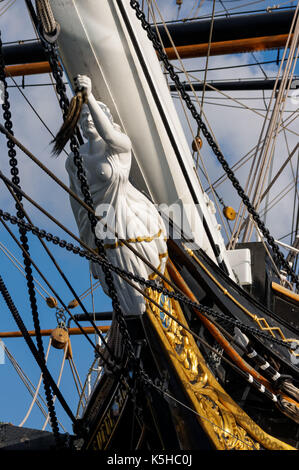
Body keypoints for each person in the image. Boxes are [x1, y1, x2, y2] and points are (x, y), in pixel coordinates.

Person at [65, 75, 168, 316]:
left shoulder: (118, 147)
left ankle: (145, 320)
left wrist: (88, 98)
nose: (87, 120)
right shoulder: (75, 160)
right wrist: (86, 239)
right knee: (122, 295)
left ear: (106, 120)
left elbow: (109, 135)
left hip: (126, 223)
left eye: (92, 115)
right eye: (83, 117)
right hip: (100, 229)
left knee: (138, 293)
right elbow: (76, 202)